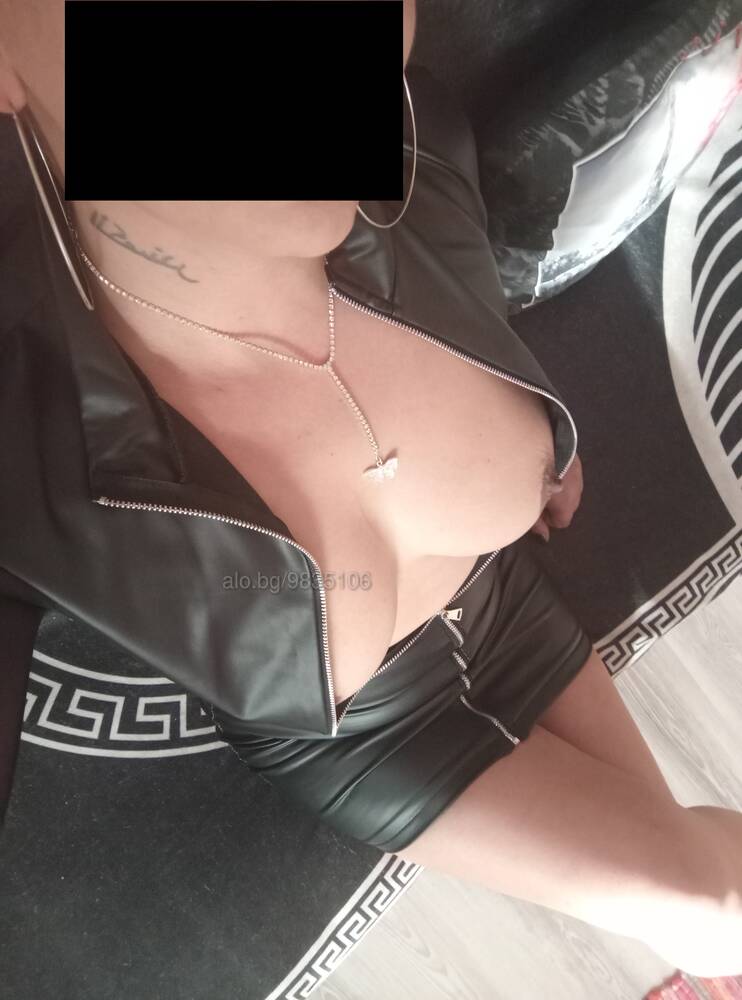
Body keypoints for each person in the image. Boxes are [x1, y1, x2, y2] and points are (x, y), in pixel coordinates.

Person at [1, 0, 741, 977]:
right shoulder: (28, 419)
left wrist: (528, 422)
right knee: (713, 905)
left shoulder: (416, 149)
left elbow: (458, 240)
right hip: (375, 743)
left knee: (684, 892)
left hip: (508, 595)